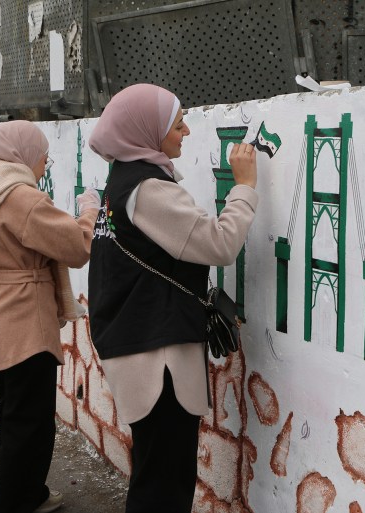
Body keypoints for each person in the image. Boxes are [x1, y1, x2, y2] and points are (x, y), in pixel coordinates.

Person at [86, 83, 258, 512]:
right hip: (156, 361)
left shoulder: (122, 181)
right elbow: (218, 245)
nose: (185, 132)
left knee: (155, 474)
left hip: (138, 348)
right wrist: (246, 187)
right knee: (163, 486)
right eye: (177, 123)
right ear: (146, 130)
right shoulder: (149, 190)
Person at [0, 120, 101, 513]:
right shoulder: (19, 198)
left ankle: (31, 494)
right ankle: (10, 503)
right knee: (30, 426)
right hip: (23, 319)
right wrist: (90, 209)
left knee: (13, 412)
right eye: (41, 152)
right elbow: (77, 246)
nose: (45, 160)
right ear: (20, 154)